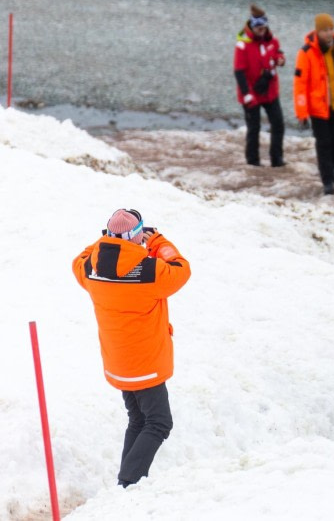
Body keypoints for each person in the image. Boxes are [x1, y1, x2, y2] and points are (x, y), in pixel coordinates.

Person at [72, 209, 191, 487]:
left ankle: (125, 485)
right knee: (160, 423)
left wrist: (105, 243)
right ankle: (129, 482)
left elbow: (80, 258)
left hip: (119, 363)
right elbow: (181, 268)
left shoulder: (91, 268)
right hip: (146, 365)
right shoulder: (150, 271)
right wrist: (158, 241)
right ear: (138, 236)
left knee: (138, 419)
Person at [294, 13, 334, 195]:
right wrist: (302, 112)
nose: (329, 33)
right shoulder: (306, 52)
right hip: (318, 108)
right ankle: (327, 181)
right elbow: (300, 84)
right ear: (317, 31)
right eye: (325, 30)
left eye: (331, 29)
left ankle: (333, 168)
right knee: (323, 144)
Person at [233, 4, 286, 168]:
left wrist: (280, 59)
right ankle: (253, 161)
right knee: (254, 128)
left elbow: (278, 52)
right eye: (258, 27)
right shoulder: (242, 45)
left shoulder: (272, 40)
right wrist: (247, 95)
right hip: (251, 93)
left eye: (263, 26)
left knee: (278, 124)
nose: (261, 30)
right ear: (252, 26)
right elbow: (239, 72)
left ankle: (276, 159)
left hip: (270, 91)